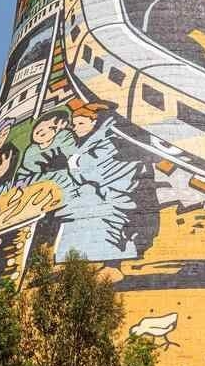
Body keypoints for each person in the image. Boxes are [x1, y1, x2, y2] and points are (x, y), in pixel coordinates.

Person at [52, 102, 158, 262]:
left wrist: (75, 163)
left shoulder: (111, 141)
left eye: (81, 123)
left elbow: (95, 171)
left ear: (94, 121)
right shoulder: (94, 141)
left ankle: (113, 262)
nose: (75, 128)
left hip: (112, 201)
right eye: (74, 124)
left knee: (105, 237)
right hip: (96, 201)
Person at [15, 110, 75, 187]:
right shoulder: (31, 150)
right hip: (27, 182)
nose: (43, 130)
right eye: (43, 124)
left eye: (52, 128)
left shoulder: (64, 138)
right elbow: (30, 168)